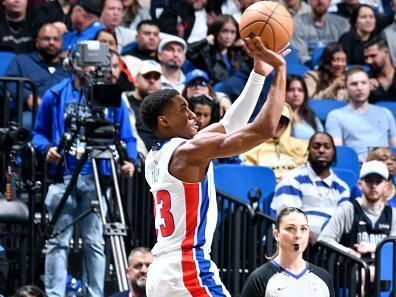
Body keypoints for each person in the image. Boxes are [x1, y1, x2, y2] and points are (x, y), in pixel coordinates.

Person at [141, 36, 289, 297]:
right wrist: (280, 71)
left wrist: (258, 73)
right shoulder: (187, 152)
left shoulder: (157, 155)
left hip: (162, 271)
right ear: (164, 121)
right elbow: (265, 129)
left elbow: (231, 123)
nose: (192, 115)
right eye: (183, 109)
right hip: (186, 268)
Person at [32, 50, 137, 297]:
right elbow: (38, 133)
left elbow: (127, 135)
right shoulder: (56, 94)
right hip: (63, 175)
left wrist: (129, 159)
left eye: (96, 65)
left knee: (95, 242)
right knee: (58, 239)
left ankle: (95, 294)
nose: (92, 70)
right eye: (88, 64)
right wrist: (46, 149)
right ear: (75, 65)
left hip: (98, 177)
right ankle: (55, 294)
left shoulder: (112, 97)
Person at [318, 160, 396, 289]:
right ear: (360, 184)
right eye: (369, 181)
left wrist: (374, 248)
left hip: (384, 272)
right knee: (364, 272)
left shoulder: (392, 214)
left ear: (386, 186)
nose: (374, 186)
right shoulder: (347, 209)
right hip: (351, 271)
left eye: (378, 181)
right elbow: (324, 240)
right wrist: (350, 252)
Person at [271, 132, 350, 242]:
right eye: (316, 146)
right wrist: (308, 235)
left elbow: (343, 222)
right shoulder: (293, 178)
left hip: (330, 247)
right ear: (308, 151)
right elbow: (288, 217)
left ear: (334, 153)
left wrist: (325, 242)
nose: (321, 150)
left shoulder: (342, 188)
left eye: (327, 147)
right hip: (298, 242)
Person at [240, 207, 335, 297]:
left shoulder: (324, 278)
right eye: (290, 229)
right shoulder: (259, 279)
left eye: (303, 229)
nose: (298, 235)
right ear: (277, 235)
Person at [5, 23, 69, 129]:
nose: (51, 43)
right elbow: (9, 83)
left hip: (62, 112)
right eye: (46, 39)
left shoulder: (68, 66)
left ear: (61, 43)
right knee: (26, 123)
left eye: (56, 39)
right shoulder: (22, 61)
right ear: (37, 43)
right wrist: (28, 96)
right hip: (31, 112)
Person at [326, 66, 396, 160]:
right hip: (356, 166)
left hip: (385, 166)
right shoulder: (335, 116)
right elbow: (339, 152)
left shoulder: (386, 113)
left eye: (363, 83)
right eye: (354, 84)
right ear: (346, 88)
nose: (359, 88)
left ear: (369, 86)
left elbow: (394, 148)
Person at [243, 104, 308, 182]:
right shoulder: (251, 147)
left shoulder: (300, 147)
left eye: (282, 120)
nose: (277, 124)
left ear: (288, 122)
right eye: (273, 119)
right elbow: (249, 175)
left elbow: (306, 172)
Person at [187, 14, 250, 84]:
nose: (228, 36)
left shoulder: (238, 52)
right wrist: (205, 41)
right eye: (224, 31)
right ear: (216, 32)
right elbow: (186, 51)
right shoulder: (206, 52)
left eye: (233, 32)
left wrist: (245, 48)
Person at [291, 0, 350, 65]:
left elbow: (344, 54)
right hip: (307, 70)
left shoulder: (342, 23)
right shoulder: (296, 23)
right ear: (308, 1)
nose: (320, 1)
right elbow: (302, 56)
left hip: (336, 68)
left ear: (330, 1)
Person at [123, 59, 162, 156]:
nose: (152, 81)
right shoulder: (124, 102)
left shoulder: (165, 106)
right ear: (135, 80)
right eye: (147, 76)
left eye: (156, 77)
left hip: (162, 159)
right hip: (136, 158)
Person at [286, 75, 324, 140]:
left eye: (300, 90)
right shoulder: (279, 117)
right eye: (291, 90)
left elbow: (322, 138)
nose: (296, 94)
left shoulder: (311, 116)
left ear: (305, 94)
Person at [363, 36, 396, 103]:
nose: (369, 61)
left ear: (386, 52)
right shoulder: (364, 78)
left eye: (373, 56)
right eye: (366, 57)